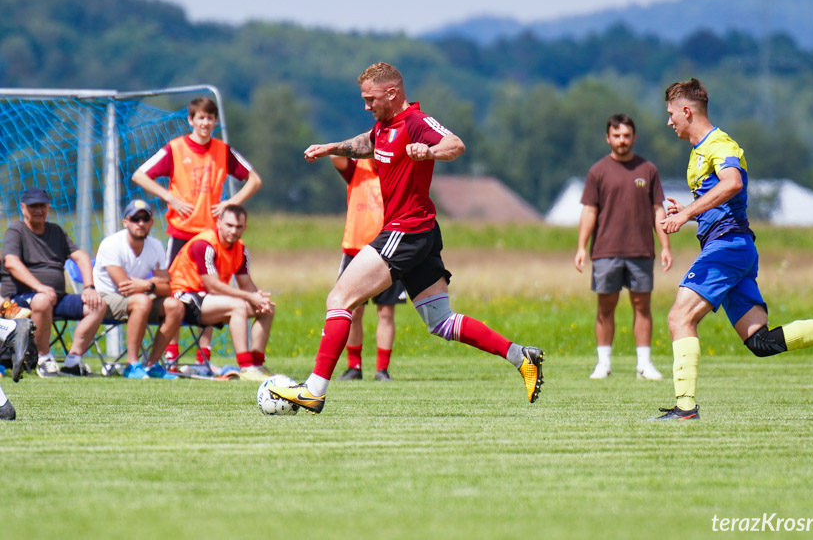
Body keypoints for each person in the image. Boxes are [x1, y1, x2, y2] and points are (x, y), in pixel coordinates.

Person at [267, 62, 544, 414]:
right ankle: (521, 356)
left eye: (370, 99)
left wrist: (428, 152)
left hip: (407, 230)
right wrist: (331, 147)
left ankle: (314, 390)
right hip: (419, 231)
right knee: (440, 321)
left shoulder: (415, 121)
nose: (366, 106)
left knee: (339, 298)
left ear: (392, 93)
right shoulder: (384, 126)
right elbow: (367, 143)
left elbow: (455, 144)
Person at [655, 78, 813, 420]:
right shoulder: (698, 153)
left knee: (680, 317)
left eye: (671, 114)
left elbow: (732, 183)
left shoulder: (718, 144)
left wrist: (688, 212)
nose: (669, 121)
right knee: (760, 342)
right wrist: (689, 213)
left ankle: (685, 408)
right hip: (733, 246)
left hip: (728, 248)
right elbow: (721, 204)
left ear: (687, 111)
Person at [131, 97, 262, 369]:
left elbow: (255, 179)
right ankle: (171, 357)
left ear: (215, 122)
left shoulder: (222, 150)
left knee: (210, 294)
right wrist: (170, 197)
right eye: (200, 118)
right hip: (181, 233)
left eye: (210, 118)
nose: (205, 123)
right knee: (176, 293)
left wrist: (230, 203)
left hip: (211, 236)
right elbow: (140, 175)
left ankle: (204, 358)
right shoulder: (175, 148)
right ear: (190, 120)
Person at [574, 114, 672, 381]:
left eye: (626, 135)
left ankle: (644, 364)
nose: (622, 141)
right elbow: (590, 211)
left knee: (642, 305)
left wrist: (665, 245)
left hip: (640, 250)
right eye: (616, 136)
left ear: (634, 137)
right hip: (606, 250)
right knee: (606, 306)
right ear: (608, 138)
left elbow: (657, 210)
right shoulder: (598, 171)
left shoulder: (648, 170)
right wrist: (582, 247)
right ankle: (603, 363)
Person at [0, 187, 107, 377]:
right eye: (33, 206)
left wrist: (89, 287)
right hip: (19, 300)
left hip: (57, 298)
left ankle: (73, 361)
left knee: (98, 304)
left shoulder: (56, 231)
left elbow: (81, 256)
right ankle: (43, 359)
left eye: (42, 205)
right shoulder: (16, 231)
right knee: (42, 300)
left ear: (48, 207)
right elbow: (11, 262)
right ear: (23, 208)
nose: (38, 210)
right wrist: (39, 287)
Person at [168, 204, 276, 382]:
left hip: (210, 300)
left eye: (238, 227)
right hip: (184, 295)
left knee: (267, 309)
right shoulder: (204, 244)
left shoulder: (240, 249)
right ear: (219, 223)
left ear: (245, 227)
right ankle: (246, 366)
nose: (233, 231)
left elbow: (245, 283)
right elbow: (213, 286)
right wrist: (250, 297)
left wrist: (259, 299)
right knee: (238, 306)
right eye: (229, 225)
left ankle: (257, 365)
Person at [330, 155, 407, 382]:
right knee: (353, 310)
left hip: (388, 249)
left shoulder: (395, 170)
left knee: (386, 311)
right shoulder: (356, 168)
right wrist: (357, 147)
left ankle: (382, 369)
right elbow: (335, 155)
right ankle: (354, 366)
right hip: (355, 249)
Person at [93, 200, 185, 379]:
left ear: (151, 222)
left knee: (176, 306)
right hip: (107, 298)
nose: (140, 223)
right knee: (141, 301)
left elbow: (168, 287)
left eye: (145, 218)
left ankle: (151, 365)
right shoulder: (111, 244)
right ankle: (132, 364)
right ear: (125, 221)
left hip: (141, 298)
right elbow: (125, 287)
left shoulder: (156, 246)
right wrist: (152, 285)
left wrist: (148, 285)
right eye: (135, 218)